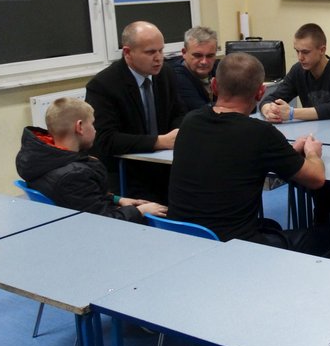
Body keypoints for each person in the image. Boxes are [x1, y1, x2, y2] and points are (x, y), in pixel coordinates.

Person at [167, 52, 330, 255]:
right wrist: (312, 153)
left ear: (214, 86)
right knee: (327, 236)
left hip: (182, 241)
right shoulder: (260, 133)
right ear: (260, 92)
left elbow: (236, 160)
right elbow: (316, 179)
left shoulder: (190, 122)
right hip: (232, 248)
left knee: (271, 225)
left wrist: (286, 154)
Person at [15, 97, 167, 222]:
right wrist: (140, 211)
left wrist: (117, 200)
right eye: (92, 124)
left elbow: (82, 200)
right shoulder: (74, 175)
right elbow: (102, 221)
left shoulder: (41, 158)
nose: (95, 129)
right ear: (80, 127)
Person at [85, 21, 186, 203]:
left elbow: (178, 113)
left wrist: (178, 132)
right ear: (127, 53)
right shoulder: (103, 85)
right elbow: (105, 139)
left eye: (161, 50)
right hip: (126, 170)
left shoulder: (166, 74)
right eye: (150, 52)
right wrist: (158, 142)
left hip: (165, 165)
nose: (159, 58)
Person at [259, 23, 330, 123]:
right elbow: (270, 99)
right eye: (297, 51)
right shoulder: (298, 70)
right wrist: (268, 110)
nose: (300, 57)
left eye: (305, 52)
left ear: (322, 50)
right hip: (312, 130)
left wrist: (292, 113)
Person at [172, 26, 219, 111]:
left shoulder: (220, 69)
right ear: (184, 53)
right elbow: (201, 111)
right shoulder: (175, 76)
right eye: (198, 56)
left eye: (210, 56)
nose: (204, 62)